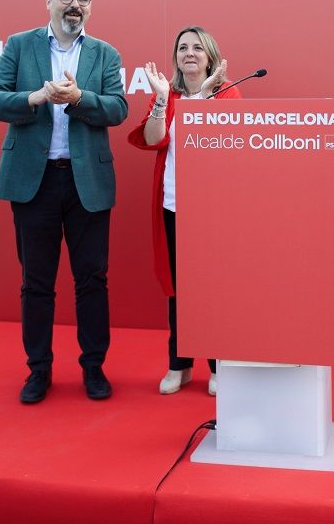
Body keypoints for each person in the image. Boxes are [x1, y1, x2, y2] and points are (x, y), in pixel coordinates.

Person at [0, 0, 128, 404]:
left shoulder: (105, 54)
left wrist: (80, 99)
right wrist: (35, 98)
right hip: (35, 181)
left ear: (90, 6)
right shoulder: (20, 45)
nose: (74, 5)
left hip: (88, 184)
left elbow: (118, 108)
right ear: (49, 1)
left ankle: (94, 368)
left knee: (92, 280)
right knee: (36, 283)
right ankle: (38, 370)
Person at [127, 26, 237, 397]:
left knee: (216, 288)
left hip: (214, 212)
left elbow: (228, 144)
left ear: (210, 55)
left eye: (197, 48)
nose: (189, 53)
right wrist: (160, 100)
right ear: (175, 57)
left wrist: (206, 97)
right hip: (173, 205)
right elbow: (155, 139)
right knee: (178, 290)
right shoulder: (168, 95)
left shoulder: (227, 92)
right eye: (182, 48)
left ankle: (219, 365)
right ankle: (180, 364)